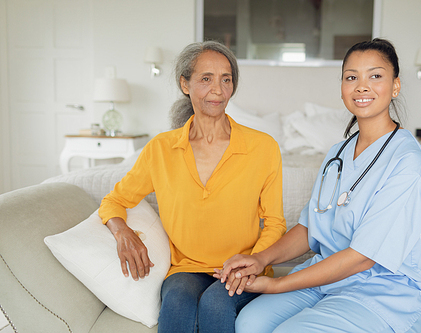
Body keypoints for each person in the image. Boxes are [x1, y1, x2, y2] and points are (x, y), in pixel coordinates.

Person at [216, 38, 421, 333]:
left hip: (381, 292)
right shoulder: (338, 153)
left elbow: (362, 257)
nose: (362, 86)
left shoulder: (407, 162)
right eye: (351, 77)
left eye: (375, 76)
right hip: (326, 280)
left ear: (395, 86)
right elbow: (311, 228)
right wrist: (259, 259)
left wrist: (277, 283)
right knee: (249, 323)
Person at [98, 41, 286, 333]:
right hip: (186, 267)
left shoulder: (263, 147)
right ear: (185, 84)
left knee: (215, 303)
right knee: (176, 301)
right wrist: (121, 231)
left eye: (226, 79)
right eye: (206, 79)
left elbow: (275, 222)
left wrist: (253, 261)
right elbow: (114, 200)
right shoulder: (161, 148)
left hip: (244, 266)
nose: (218, 90)